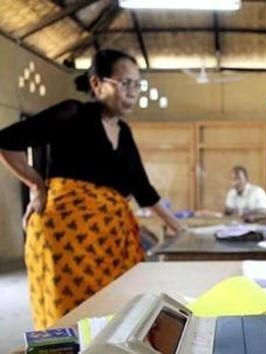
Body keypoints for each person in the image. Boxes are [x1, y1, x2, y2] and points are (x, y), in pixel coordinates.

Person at [0, 49, 184, 329]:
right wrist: (36, 184)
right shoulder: (72, 113)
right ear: (97, 84)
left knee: (117, 316)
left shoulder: (124, 132)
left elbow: (143, 189)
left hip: (111, 239)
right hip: (64, 236)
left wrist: (180, 229)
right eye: (126, 83)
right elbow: (8, 142)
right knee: (72, 319)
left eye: (137, 84)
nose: (133, 91)